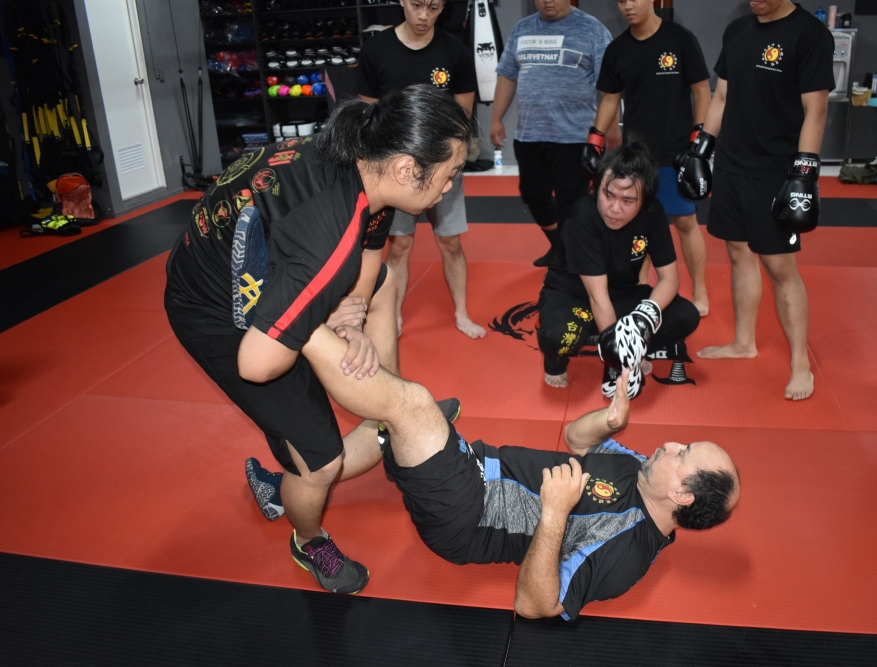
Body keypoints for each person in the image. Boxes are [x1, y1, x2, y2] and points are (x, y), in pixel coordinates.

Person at [164, 85, 471, 594]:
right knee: (321, 460)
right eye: (450, 173)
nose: (451, 186)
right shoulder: (326, 235)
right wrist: (320, 325)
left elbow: (370, 261)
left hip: (259, 258)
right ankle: (308, 539)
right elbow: (256, 364)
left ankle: (370, 423)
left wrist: (350, 320)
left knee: (383, 287)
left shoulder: (366, 161)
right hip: (214, 308)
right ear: (406, 168)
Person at [247, 360, 740, 619]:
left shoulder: (626, 550)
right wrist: (608, 421)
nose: (670, 444)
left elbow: (535, 605)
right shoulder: (640, 471)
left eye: (682, 454)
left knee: (409, 405)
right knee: (386, 425)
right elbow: (577, 439)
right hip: (476, 463)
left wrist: (555, 513)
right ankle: (286, 489)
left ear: (683, 497)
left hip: (469, 513)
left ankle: (292, 326)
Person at [695, 0, 833, 401]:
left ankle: (800, 363)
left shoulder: (810, 34)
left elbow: (816, 110)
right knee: (738, 251)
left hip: (776, 168)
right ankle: (743, 342)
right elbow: (721, 97)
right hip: (732, 163)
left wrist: (804, 173)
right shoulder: (737, 31)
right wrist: (702, 146)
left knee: (780, 266)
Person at [357, 0, 485, 339]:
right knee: (399, 246)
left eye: (433, 7)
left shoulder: (455, 52)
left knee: (450, 243)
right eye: (417, 5)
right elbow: (369, 119)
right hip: (396, 170)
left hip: (443, 168)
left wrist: (449, 166)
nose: (424, 15)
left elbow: (463, 117)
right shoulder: (376, 51)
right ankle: (394, 317)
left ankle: (461, 313)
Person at [536, 143, 700, 393]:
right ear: (596, 188)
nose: (614, 208)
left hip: (622, 295)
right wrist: (622, 359)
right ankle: (557, 360)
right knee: (557, 337)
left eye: (628, 200)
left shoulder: (653, 213)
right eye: (608, 195)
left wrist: (644, 319)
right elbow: (597, 296)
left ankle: (621, 340)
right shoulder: (582, 217)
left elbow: (669, 279)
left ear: (644, 199)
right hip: (574, 297)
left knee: (685, 316)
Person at [590, 0, 712, 316]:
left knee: (685, 221)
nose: (627, 6)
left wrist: (698, 139)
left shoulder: (680, 39)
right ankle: (641, 289)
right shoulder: (618, 50)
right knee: (638, 222)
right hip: (638, 155)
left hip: (676, 151)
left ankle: (700, 293)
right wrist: (595, 139)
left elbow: (701, 90)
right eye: (621, 1)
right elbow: (610, 99)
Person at [490, 0, 617, 267]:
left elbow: (611, 86)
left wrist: (611, 128)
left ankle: (572, 260)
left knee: (572, 202)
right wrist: (496, 118)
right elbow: (507, 75)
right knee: (532, 195)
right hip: (529, 135)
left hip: (576, 136)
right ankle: (558, 245)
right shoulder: (522, 29)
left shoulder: (592, 29)